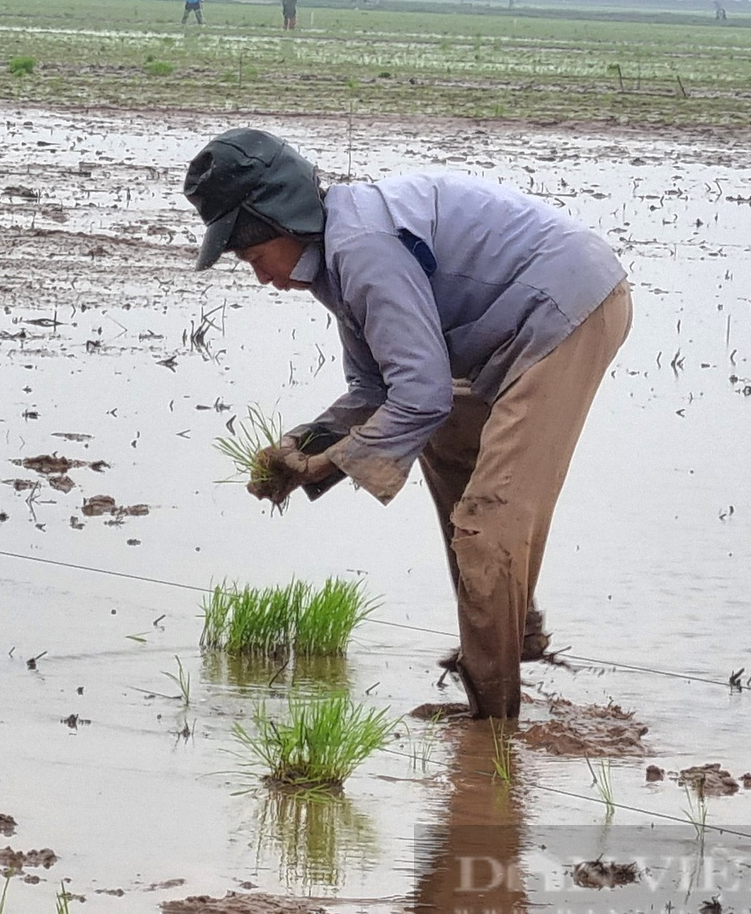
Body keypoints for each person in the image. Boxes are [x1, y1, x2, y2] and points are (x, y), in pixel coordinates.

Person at [183, 129, 631, 720]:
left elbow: (420, 396)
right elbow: (376, 390)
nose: (261, 277)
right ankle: (510, 630)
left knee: (488, 522)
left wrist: (329, 464)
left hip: (565, 312)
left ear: (279, 224)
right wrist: (299, 446)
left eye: (253, 257)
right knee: (447, 450)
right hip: (508, 328)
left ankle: (492, 723)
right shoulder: (337, 258)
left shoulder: (363, 248)